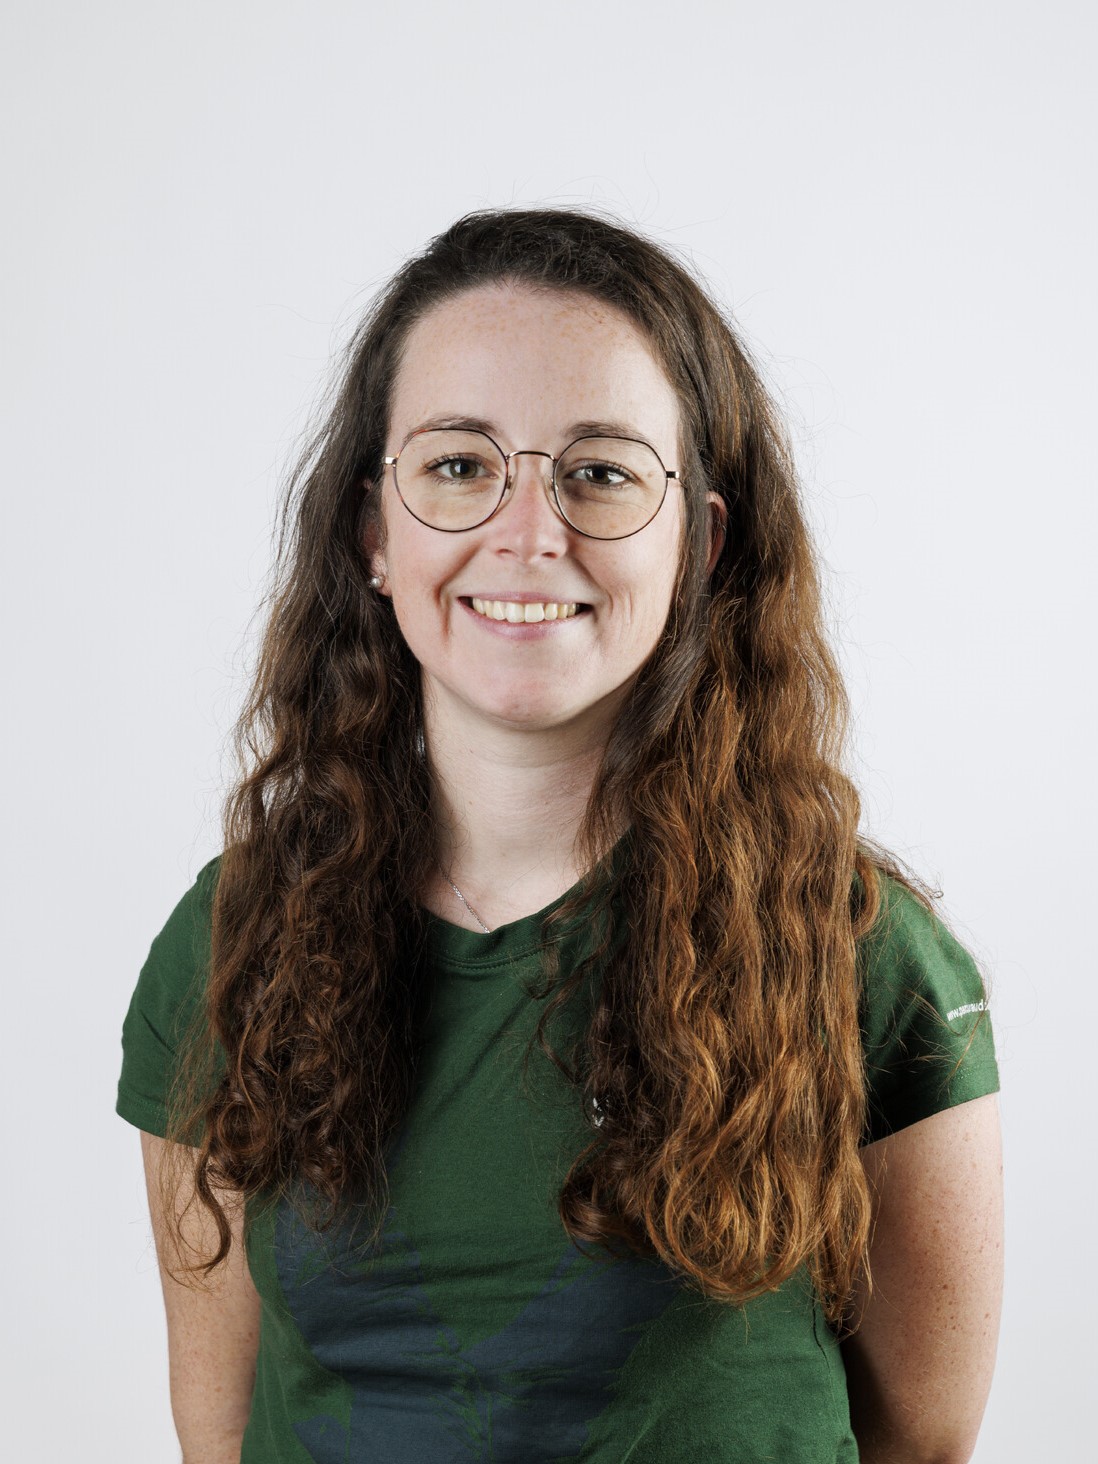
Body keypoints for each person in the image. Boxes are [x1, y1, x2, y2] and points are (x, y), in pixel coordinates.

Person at [116, 207, 1003, 1463]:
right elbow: (218, 1436)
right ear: (375, 532)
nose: (528, 534)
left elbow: (924, 1437)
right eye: (460, 465)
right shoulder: (229, 942)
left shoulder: (858, 951)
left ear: (699, 542)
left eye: (599, 471)